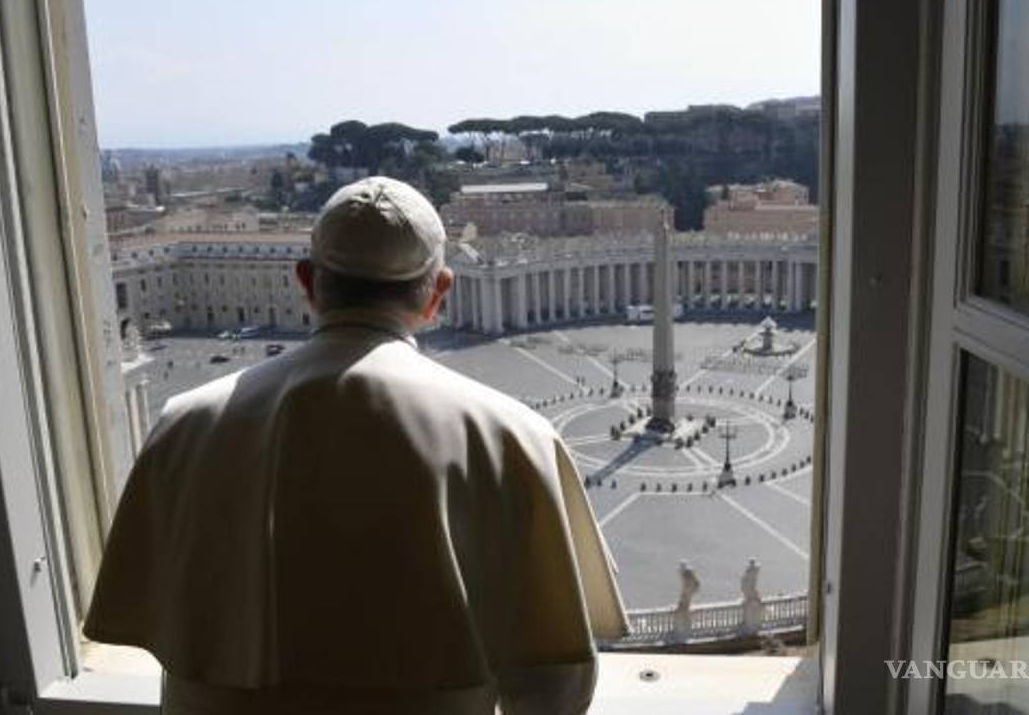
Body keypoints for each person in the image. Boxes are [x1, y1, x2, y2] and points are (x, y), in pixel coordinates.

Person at [84, 177, 628, 715]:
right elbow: (557, 681)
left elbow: (152, 624)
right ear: (438, 292)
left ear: (306, 281)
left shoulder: (182, 424)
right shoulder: (513, 435)